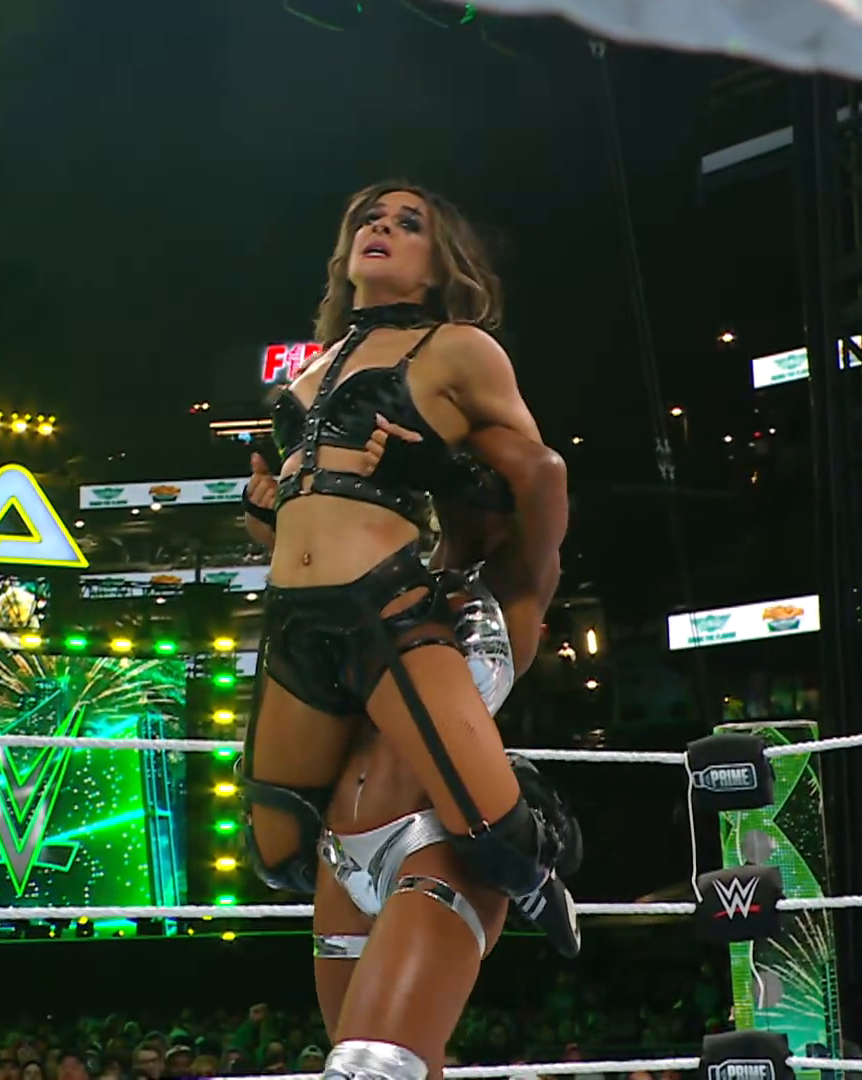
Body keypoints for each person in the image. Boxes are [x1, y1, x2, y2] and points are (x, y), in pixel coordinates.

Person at [235, 180, 578, 1080]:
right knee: (272, 844)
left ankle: (532, 855)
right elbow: (304, 524)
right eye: (368, 218)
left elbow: (539, 481)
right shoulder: (309, 373)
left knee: (376, 1059)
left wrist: (450, 469)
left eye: (408, 222)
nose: (381, 227)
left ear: (439, 262)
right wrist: (265, 512)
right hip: (301, 635)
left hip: (387, 621)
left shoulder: (456, 349)